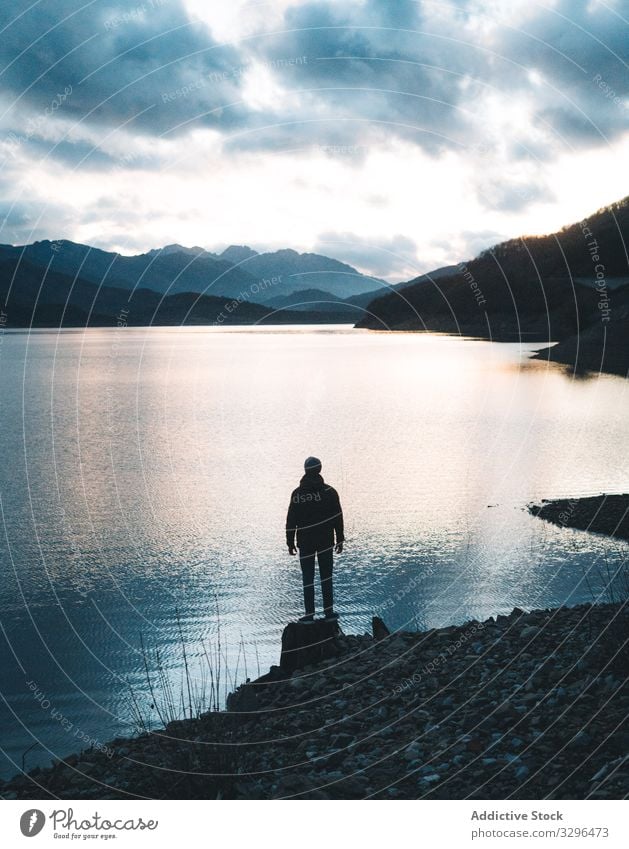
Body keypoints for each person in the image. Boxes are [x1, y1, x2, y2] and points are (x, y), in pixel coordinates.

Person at [286, 456, 345, 622]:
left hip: (305, 542)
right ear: (320, 470)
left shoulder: (297, 494)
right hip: (325, 540)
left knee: (307, 578)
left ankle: (309, 614)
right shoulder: (329, 492)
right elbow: (337, 517)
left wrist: (290, 541)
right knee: (326, 576)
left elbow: (291, 519)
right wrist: (339, 538)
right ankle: (329, 613)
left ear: (305, 470)